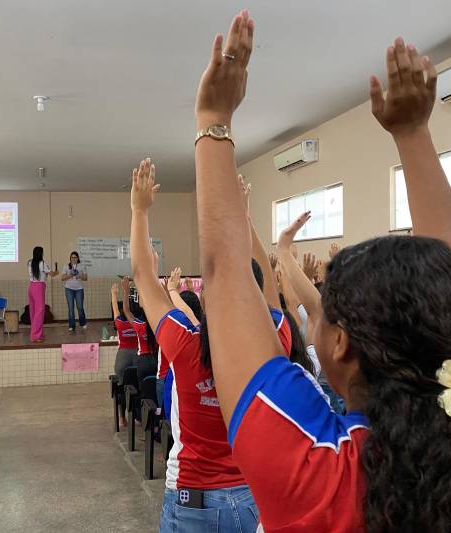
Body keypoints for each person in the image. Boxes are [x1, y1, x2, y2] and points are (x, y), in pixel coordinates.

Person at [193, 13, 451, 531]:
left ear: (340, 344)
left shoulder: (312, 470)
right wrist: (414, 135)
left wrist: (212, 115)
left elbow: (225, 271)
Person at [129, 158, 259, 532]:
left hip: (193, 501)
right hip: (248, 498)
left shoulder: (185, 345)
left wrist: (140, 211)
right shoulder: (267, 350)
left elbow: (142, 276)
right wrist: (242, 215)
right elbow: (257, 283)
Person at [111, 278, 137, 427]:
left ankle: (122, 417)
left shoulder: (120, 323)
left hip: (123, 359)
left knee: (121, 387)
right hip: (138, 358)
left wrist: (114, 294)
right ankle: (139, 416)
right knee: (139, 387)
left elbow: (115, 308)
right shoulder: (142, 323)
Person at [27, 246, 58, 342]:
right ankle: (35, 336)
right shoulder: (42, 263)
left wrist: (45, 274)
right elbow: (52, 274)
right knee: (39, 312)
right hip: (39, 287)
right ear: (41, 253)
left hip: (31, 287)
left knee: (33, 311)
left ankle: (37, 334)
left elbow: (38, 273)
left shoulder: (29, 262)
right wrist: (56, 272)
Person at [61, 251, 88, 332]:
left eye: (75, 257)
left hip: (79, 289)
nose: (73, 259)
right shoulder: (66, 266)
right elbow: (62, 278)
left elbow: (86, 278)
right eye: (72, 257)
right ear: (70, 258)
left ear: (78, 258)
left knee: (80, 307)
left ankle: (83, 323)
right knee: (71, 308)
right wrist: (70, 275)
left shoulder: (82, 266)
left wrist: (79, 276)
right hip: (69, 289)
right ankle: (72, 325)